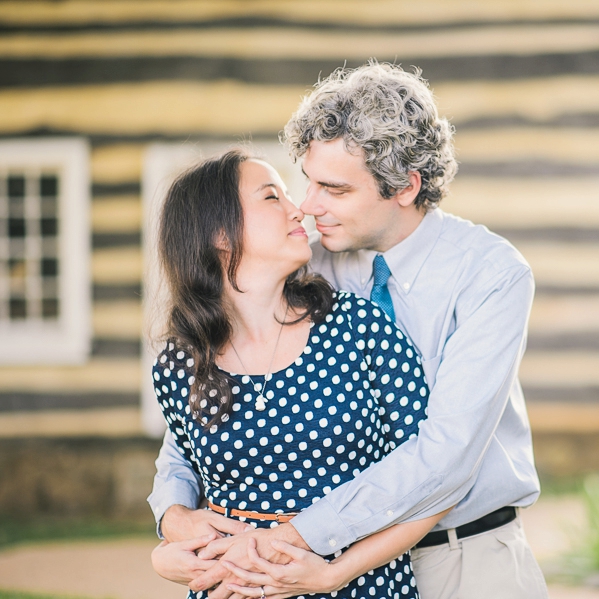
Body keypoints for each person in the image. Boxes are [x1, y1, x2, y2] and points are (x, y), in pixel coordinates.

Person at [149, 62, 549, 599]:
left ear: (405, 187)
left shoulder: (491, 275)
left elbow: (446, 456)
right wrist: (172, 517)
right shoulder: (309, 266)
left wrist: (297, 539)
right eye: (307, 182)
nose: (308, 206)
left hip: (463, 557)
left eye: (333, 189)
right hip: (324, 565)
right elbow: (201, 417)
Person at [150, 148, 450, 599]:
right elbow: (181, 476)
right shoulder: (180, 365)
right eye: (272, 197)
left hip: (359, 589)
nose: (299, 209)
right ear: (218, 233)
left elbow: (432, 484)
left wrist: (337, 573)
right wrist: (168, 549)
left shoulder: (358, 327)